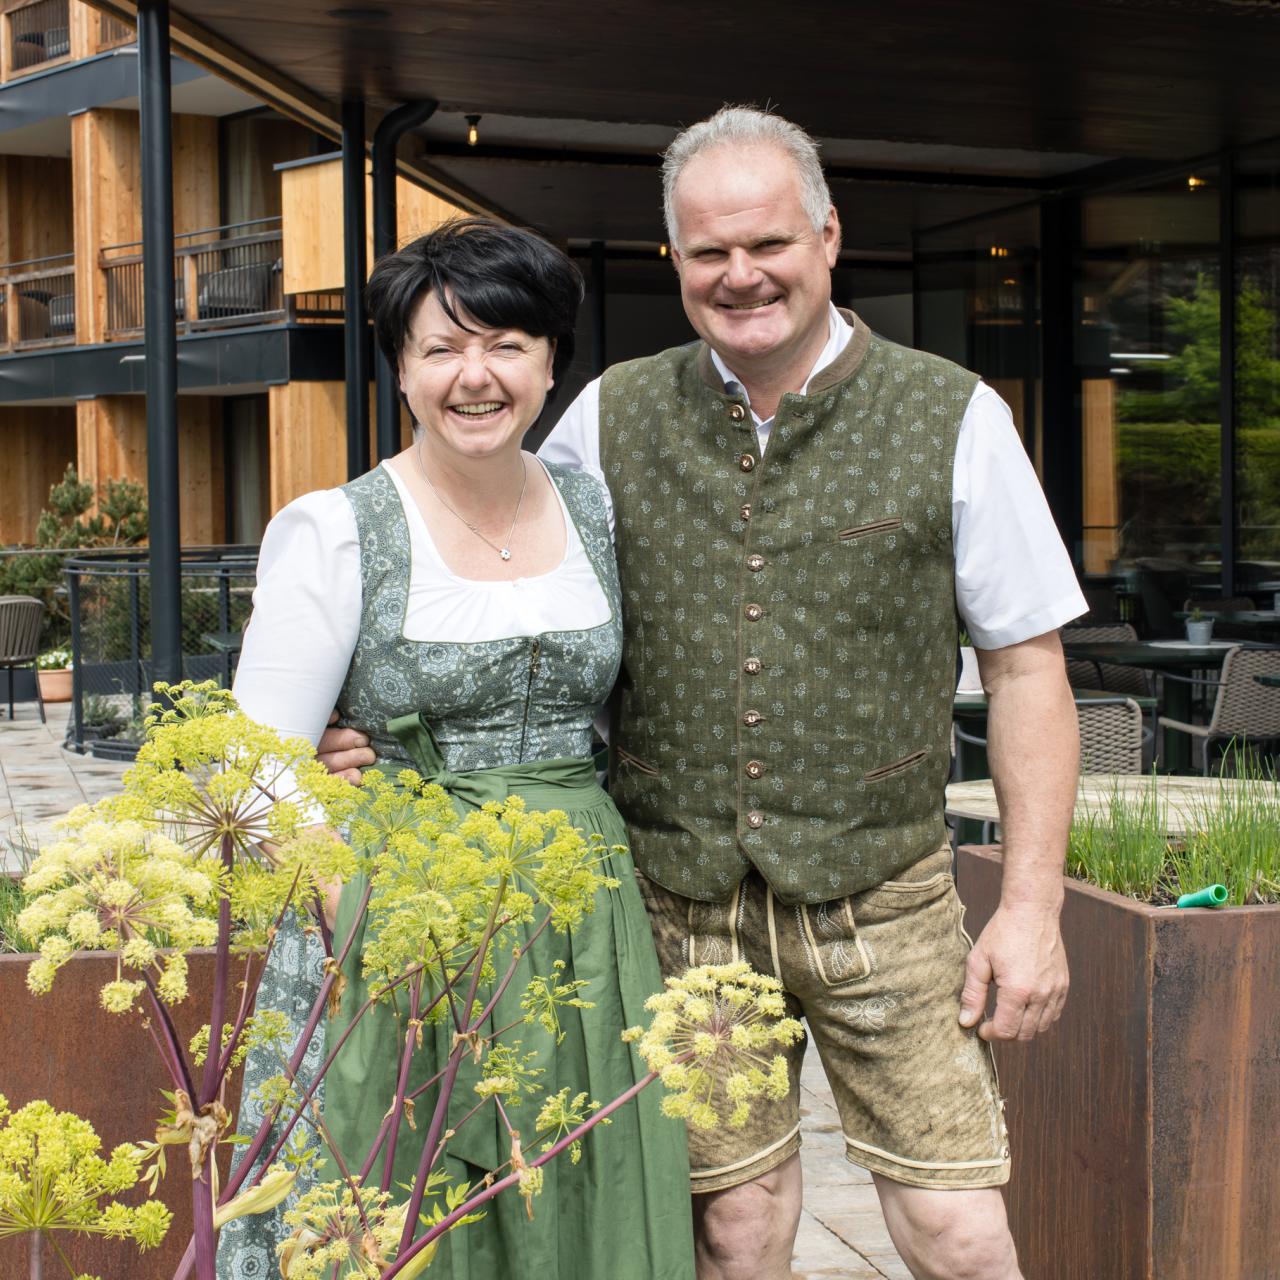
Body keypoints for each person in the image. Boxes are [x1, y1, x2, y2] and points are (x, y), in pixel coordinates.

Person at [321, 107, 1086, 1280]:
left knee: (957, 1227)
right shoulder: (604, 416)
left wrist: (1030, 908)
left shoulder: (954, 414)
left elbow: (1027, 668)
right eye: (707, 252)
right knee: (731, 1228)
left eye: (766, 243)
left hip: (883, 893)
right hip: (679, 906)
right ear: (672, 262)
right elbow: (498, 576)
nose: (741, 276)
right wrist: (365, 715)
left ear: (827, 237)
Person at [218, 218, 695, 1280]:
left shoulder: (595, 506)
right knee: (406, 1196)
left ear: (549, 362)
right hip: (400, 915)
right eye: (440, 348)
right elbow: (249, 769)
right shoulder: (336, 531)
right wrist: (365, 912)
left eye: (506, 345)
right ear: (399, 368)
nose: (474, 377)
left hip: (584, 914)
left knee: (583, 1187)